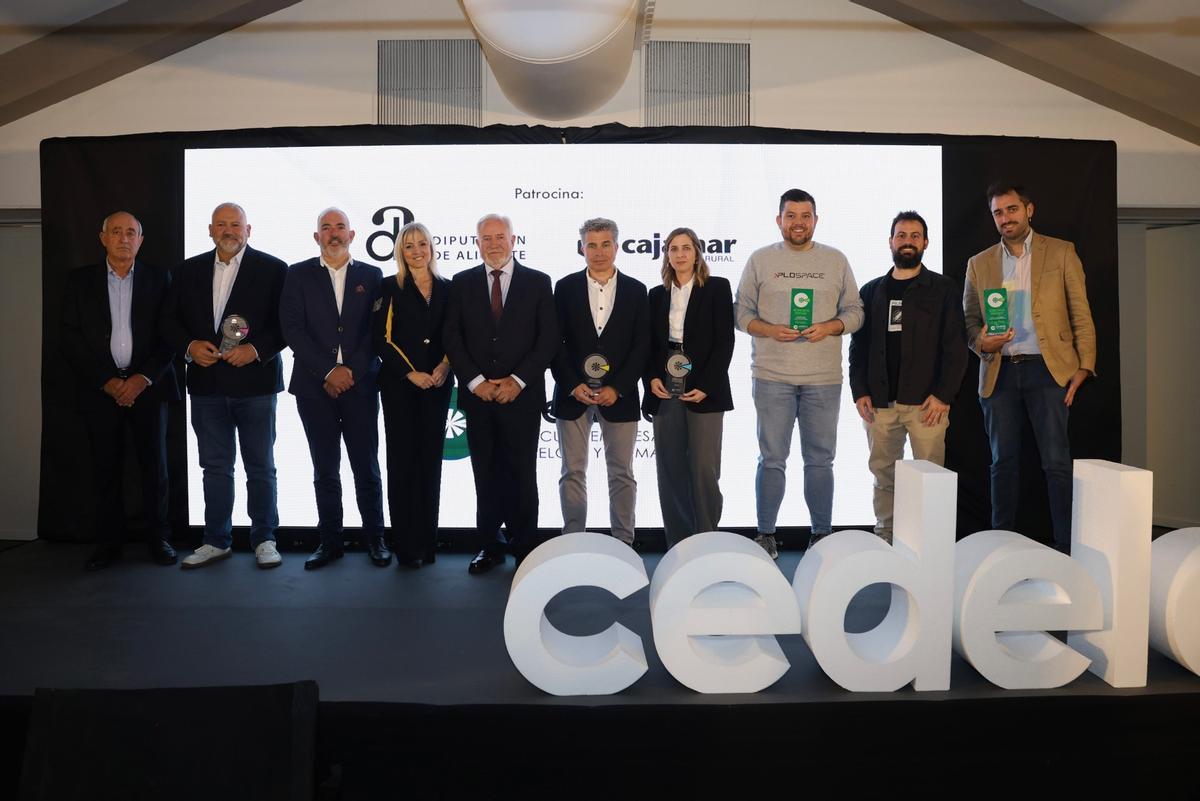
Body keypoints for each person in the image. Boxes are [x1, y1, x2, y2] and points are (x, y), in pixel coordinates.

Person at [964, 183, 1096, 552]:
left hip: (1048, 371)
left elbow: (1081, 315)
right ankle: (999, 548)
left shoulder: (1062, 252)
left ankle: (1067, 548)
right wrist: (980, 343)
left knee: (1056, 463)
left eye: (1011, 210)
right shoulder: (979, 262)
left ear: (1029, 210)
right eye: (998, 213)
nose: (1005, 218)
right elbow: (970, 322)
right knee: (1001, 464)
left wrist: (1085, 366)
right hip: (999, 372)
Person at [735, 188, 864, 559]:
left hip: (823, 378)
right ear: (779, 220)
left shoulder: (836, 260)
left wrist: (832, 326)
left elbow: (856, 311)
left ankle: (821, 534)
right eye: (790, 215)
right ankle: (765, 535)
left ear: (815, 220)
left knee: (820, 460)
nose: (798, 223)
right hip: (772, 375)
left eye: (805, 216)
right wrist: (768, 329)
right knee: (772, 459)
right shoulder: (760, 260)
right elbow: (740, 313)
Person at [160, 202, 288, 569]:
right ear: (210, 230)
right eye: (222, 225)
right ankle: (216, 539)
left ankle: (264, 538)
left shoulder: (273, 269)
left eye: (236, 224)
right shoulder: (186, 271)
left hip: (257, 385)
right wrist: (189, 346)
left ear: (249, 230)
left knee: (261, 466)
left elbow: (286, 324)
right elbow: (168, 321)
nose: (229, 230)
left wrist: (256, 349)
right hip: (206, 386)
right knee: (215, 467)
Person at [61, 211, 179, 571]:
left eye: (131, 232)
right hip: (101, 391)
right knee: (105, 470)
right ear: (103, 238)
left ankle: (158, 539)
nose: (124, 238)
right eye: (117, 232)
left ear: (141, 240)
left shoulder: (161, 279)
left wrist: (141, 379)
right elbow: (70, 338)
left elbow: (169, 336)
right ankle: (108, 544)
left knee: (154, 469)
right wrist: (109, 382)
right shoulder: (79, 282)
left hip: (147, 388)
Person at [443, 213, 558, 575]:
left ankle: (526, 548)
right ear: (477, 243)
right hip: (478, 398)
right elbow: (453, 337)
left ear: (513, 239)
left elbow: (548, 339)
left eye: (499, 237)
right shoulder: (461, 283)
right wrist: (476, 382)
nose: (493, 243)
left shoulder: (539, 282)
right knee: (486, 473)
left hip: (521, 397)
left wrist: (517, 381)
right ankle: (488, 546)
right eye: (486, 238)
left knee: (523, 473)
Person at [848, 211, 966, 544]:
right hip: (880, 405)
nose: (908, 241)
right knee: (884, 477)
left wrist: (944, 395)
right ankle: (886, 536)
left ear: (925, 242)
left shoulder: (942, 288)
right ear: (890, 242)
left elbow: (955, 347)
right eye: (901, 235)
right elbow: (858, 347)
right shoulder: (871, 291)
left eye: (915, 236)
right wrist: (860, 392)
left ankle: (932, 542)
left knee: (931, 478)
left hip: (927, 405)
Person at [281, 208, 387, 570]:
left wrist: (349, 372)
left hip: (360, 386)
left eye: (340, 227)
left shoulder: (372, 275)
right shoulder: (297, 275)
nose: (333, 233)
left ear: (353, 235)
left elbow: (376, 333)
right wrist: (328, 370)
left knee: (366, 466)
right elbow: (292, 329)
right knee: (324, 468)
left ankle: (376, 540)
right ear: (317, 238)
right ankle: (331, 542)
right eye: (326, 228)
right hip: (314, 388)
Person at [550, 218, 649, 546]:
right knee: (572, 472)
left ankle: (624, 542)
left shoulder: (637, 290)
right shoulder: (563, 288)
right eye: (591, 244)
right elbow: (555, 343)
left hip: (619, 397)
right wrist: (571, 384)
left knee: (622, 473)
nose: (599, 251)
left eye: (605, 244)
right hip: (572, 395)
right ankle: (573, 540)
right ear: (582, 248)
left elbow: (641, 346)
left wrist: (617, 387)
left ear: (616, 247)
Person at [642, 227, 734, 546]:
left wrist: (707, 385)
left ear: (696, 252)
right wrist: (651, 377)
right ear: (666, 255)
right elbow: (649, 345)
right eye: (673, 249)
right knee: (670, 468)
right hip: (665, 384)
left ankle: (707, 539)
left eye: (686, 248)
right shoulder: (656, 294)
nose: (680, 254)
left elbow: (725, 342)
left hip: (705, 385)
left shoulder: (717, 288)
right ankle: (678, 543)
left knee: (704, 468)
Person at [372, 221, 453, 568]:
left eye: (422, 244)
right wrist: (410, 373)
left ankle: (427, 543)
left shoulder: (450, 288)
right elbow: (380, 339)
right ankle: (406, 546)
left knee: (429, 464)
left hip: (437, 385)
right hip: (400, 387)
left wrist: (444, 367)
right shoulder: (388, 287)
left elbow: (456, 333)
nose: (417, 250)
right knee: (403, 464)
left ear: (432, 248)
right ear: (400, 252)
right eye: (409, 246)